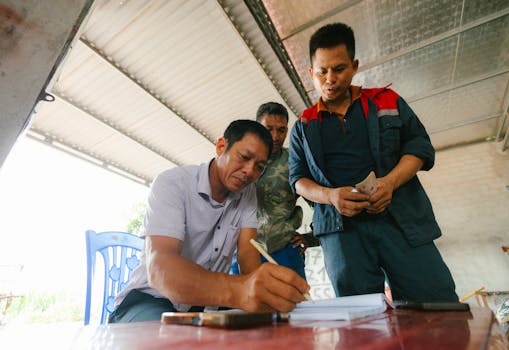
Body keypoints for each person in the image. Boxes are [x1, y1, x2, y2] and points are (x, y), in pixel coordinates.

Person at [288, 23, 458, 302]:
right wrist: (330, 196)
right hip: (342, 233)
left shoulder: (387, 101)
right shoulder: (304, 125)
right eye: (322, 71)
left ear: (354, 66)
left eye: (339, 69)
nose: (330, 79)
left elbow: (419, 146)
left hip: (400, 220)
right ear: (311, 73)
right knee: (361, 316)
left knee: (434, 302)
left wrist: (389, 183)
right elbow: (298, 179)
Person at [110, 120, 310, 323]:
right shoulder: (172, 183)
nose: (250, 171)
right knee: (167, 340)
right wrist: (241, 290)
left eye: (259, 167)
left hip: (203, 305)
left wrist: (264, 292)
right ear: (221, 146)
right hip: (151, 299)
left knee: (267, 329)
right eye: (244, 157)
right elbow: (161, 270)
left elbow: (248, 256)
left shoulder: (248, 194)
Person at [230, 102, 317, 279]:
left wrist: (312, 237)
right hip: (243, 249)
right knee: (244, 304)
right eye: (269, 129)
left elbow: (321, 204)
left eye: (282, 130)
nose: (276, 136)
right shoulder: (238, 160)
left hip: (284, 250)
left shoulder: (295, 163)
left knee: (294, 304)